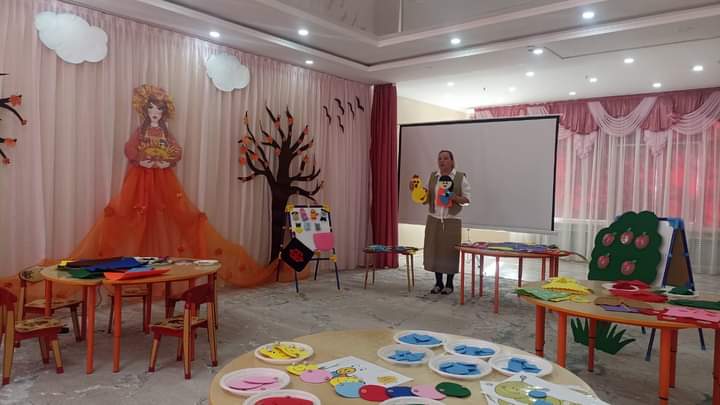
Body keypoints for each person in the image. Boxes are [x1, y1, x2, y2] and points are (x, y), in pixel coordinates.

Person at [410, 150, 471, 294]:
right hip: (434, 219)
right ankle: (438, 283)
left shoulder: (460, 177)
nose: (442, 161)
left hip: (452, 220)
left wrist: (454, 197)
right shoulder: (434, 177)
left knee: (449, 252)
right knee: (435, 251)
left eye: (445, 158)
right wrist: (416, 191)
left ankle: (449, 284)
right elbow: (426, 198)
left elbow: (467, 200)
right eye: (440, 159)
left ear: (452, 161)